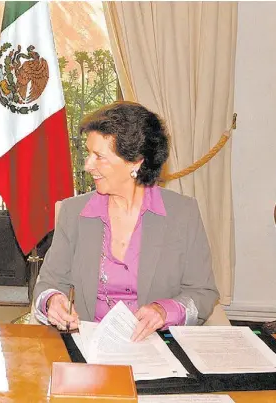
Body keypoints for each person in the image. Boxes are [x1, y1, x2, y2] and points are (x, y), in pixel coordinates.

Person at [32, 101, 219, 341]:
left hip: (156, 345)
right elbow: (47, 283)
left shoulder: (183, 213)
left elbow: (203, 293)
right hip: (90, 346)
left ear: (135, 162)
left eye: (99, 157)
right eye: (88, 154)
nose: (87, 166)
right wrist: (52, 301)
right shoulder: (74, 212)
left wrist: (165, 311)